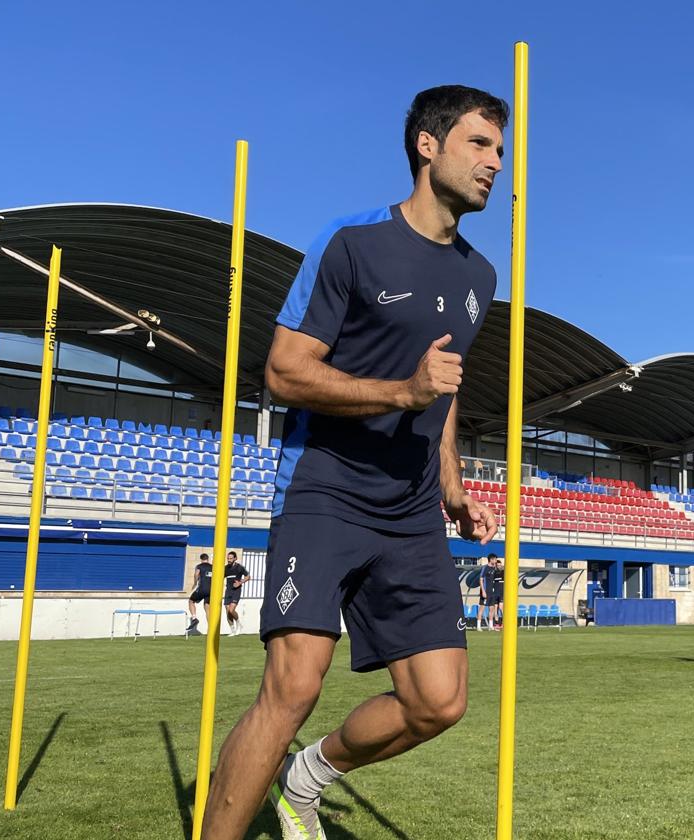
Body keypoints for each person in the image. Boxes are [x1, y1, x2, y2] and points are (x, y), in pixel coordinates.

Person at [201, 84, 505, 840]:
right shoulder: (351, 243)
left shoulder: (479, 278)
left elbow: (444, 394)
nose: (494, 163)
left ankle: (305, 778)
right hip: (326, 488)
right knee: (294, 682)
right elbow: (283, 370)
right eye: (478, 144)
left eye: (500, 150)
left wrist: (453, 485)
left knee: (439, 700)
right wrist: (400, 392)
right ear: (426, 146)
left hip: (409, 510)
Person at [222, 551, 251, 637]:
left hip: (236, 590)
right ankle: (232, 630)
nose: (229, 560)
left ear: (235, 558)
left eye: (231, 558)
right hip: (228, 590)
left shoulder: (239, 567)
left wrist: (240, 582)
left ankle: (239, 624)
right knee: (227, 611)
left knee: (231, 610)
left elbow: (248, 577)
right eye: (228, 558)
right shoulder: (225, 568)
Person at [187, 552, 213, 632]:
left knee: (191, 601)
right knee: (207, 607)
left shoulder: (199, 566)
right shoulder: (213, 567)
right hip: (211, 590)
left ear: (201, 559)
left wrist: (195, 582)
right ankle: (210, 628)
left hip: (202, 588)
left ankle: (194, 618)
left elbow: (196, 574)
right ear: (207, 559)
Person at [477, 553, 496, 630]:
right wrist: (483, 591)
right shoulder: (485, 567)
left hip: (491, 592)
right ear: (491, 559)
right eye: (494, 559)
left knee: (492, 608)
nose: (495, 560)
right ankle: (478, 626)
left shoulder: (493, 568)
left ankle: (490, 626)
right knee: (482, 608)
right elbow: (481, 579)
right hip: (485, 591)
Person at [490, 555, 506, 629]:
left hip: (501, 593)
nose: (499, 566)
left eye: (500, 565)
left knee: (501, 608)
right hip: (495, 593)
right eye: (498, 565)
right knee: (495, 608)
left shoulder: (504, 572)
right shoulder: (494, 572)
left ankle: (503, 622)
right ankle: (496, 623)